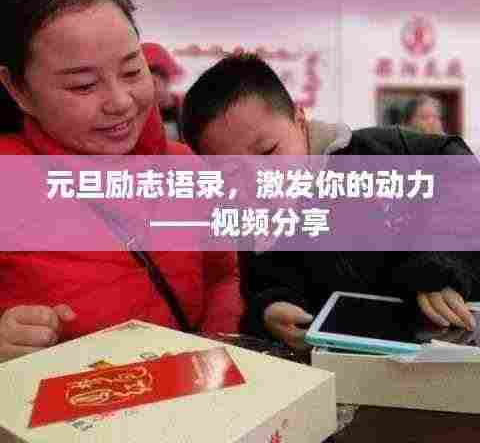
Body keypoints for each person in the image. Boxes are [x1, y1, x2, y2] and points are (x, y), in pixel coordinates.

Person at [0, 0, 243, 362]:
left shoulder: (186, 168)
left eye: (132, 70)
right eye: (83, 85)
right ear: (18, 90)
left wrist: (218, 350)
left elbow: (223, 277)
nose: (120, 102)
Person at [181, 53, 478, 349]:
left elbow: (462, 174)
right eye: (232, 172)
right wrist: (269, 310)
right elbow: (263, 284)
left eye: (269, 151)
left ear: (299, 120)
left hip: (453, 342)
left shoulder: (382, 153)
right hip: (354, 362)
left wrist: (442, 262)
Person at [142, 42, 184, 141]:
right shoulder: (137, 116)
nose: (148, 91)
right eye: (142, 86)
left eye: (154, 83)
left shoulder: (190, 107)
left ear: (167, 79)